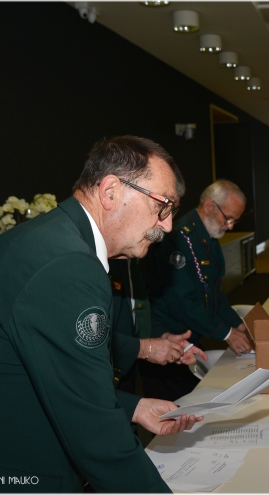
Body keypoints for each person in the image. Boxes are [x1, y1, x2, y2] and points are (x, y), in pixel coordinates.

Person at [0, 136, 202, 492]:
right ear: (110, 192)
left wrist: (133, 406)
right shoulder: (69, 265)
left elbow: (49, 374)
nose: (167, 226)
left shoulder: (46, 240)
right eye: (163, 206)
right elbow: (94, 431)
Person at [143, 179, 255, 401]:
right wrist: (228, 333)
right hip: (166, 340)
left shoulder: (209, 236)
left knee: (194, 406)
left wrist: (238, 324)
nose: (230, 226)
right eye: (229, 218)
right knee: (171, 415)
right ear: (210, 206)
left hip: (191, 338)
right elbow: (183, 302)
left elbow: (213, 293)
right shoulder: (178, 237)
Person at [110, 176, 207, 394]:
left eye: (173, 209)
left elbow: (137, 309)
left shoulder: (139, 249)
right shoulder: (95, 257)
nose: (169, 223)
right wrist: (146, 348)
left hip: (125, 374)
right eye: (161, 207)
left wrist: (161, 337)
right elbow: (86, 338)